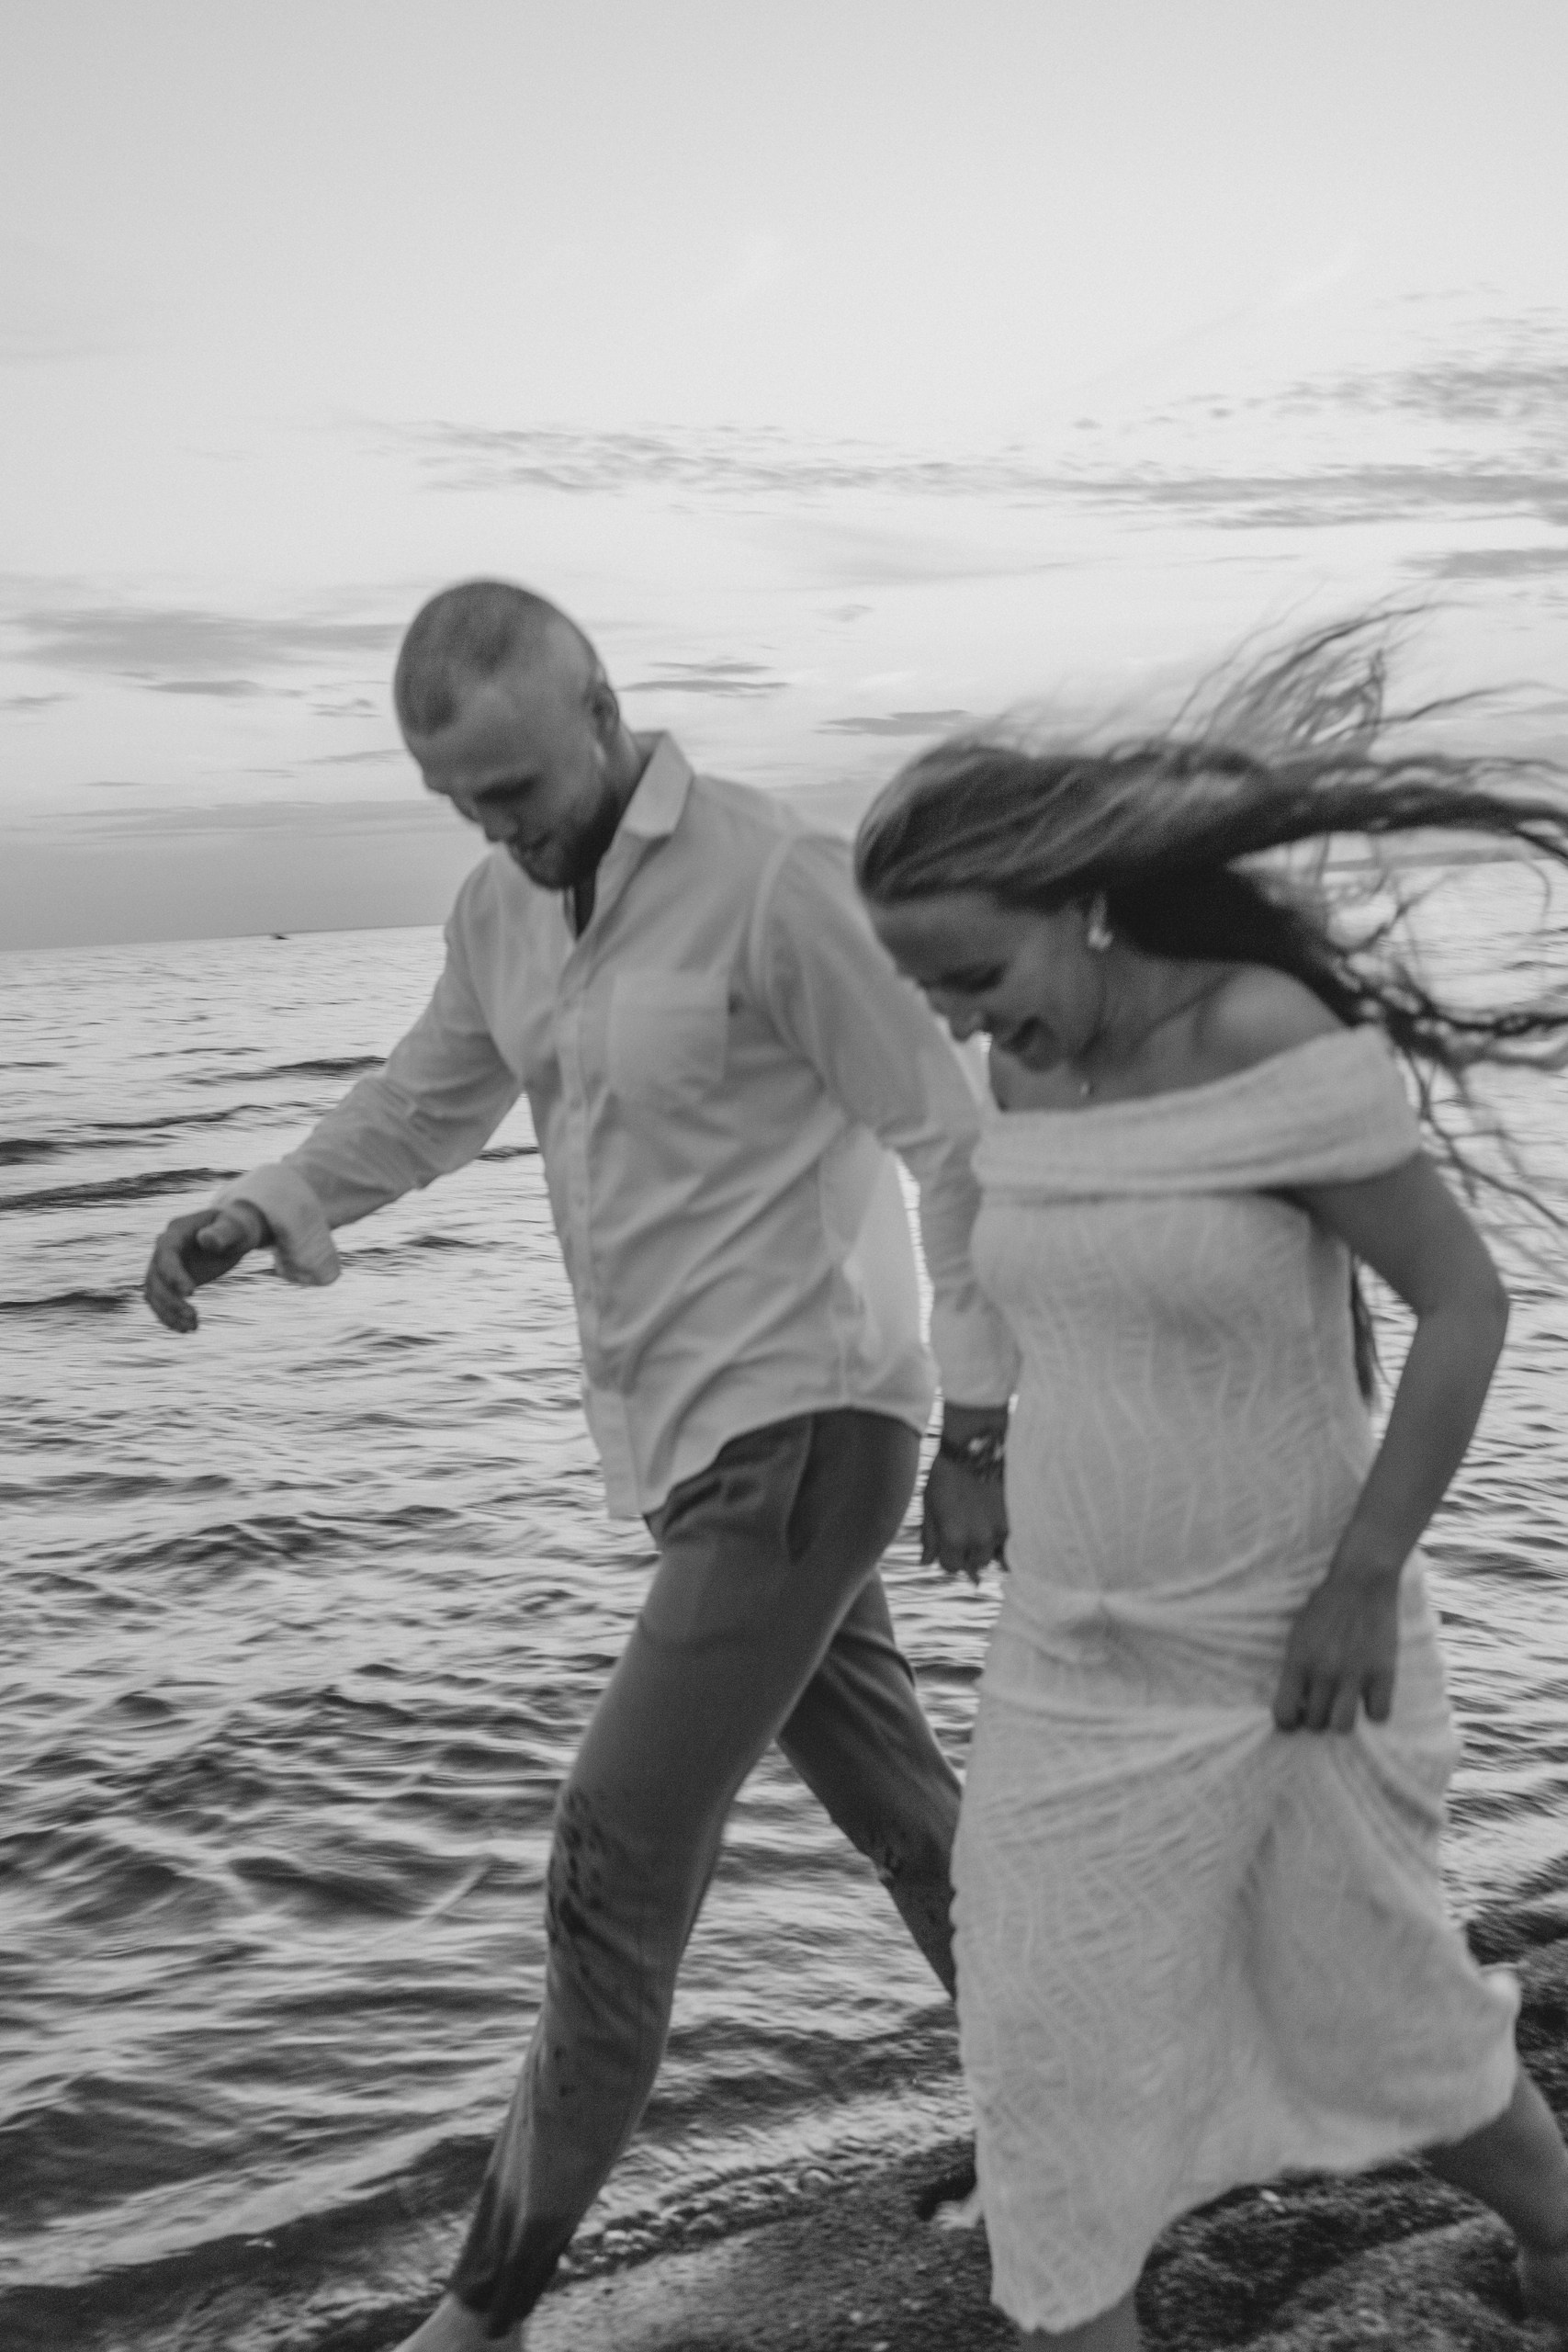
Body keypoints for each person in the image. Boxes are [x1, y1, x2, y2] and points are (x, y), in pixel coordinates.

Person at [141, 582, 1017, 2349]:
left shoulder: (774, 880)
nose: (500, 829)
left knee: (613, 1854)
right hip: (690, 1456)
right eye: (462, 804)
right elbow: (427, 1100)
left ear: (604, 712)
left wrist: (982, 1423)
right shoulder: (499, 912)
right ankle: (1079, 2105)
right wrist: (267, 1202)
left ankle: (485, 2310)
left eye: (518, 789)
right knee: (916, 1821)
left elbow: (953, 1135)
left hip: (817, 1420)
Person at [852, 618, 1568, 2351]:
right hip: (1074, 1650)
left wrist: (1364, 1577)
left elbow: (1462, 1304)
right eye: (931, 993)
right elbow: (1013, 1261)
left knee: (1372, 2014)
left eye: (974, 971)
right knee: (1037, 2042)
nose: (962, 1018)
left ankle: (1560, 2232)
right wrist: (975, 1438)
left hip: (1289, 1648)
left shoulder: (1261, 1032)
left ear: (1081, 901)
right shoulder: (1022, 1073)